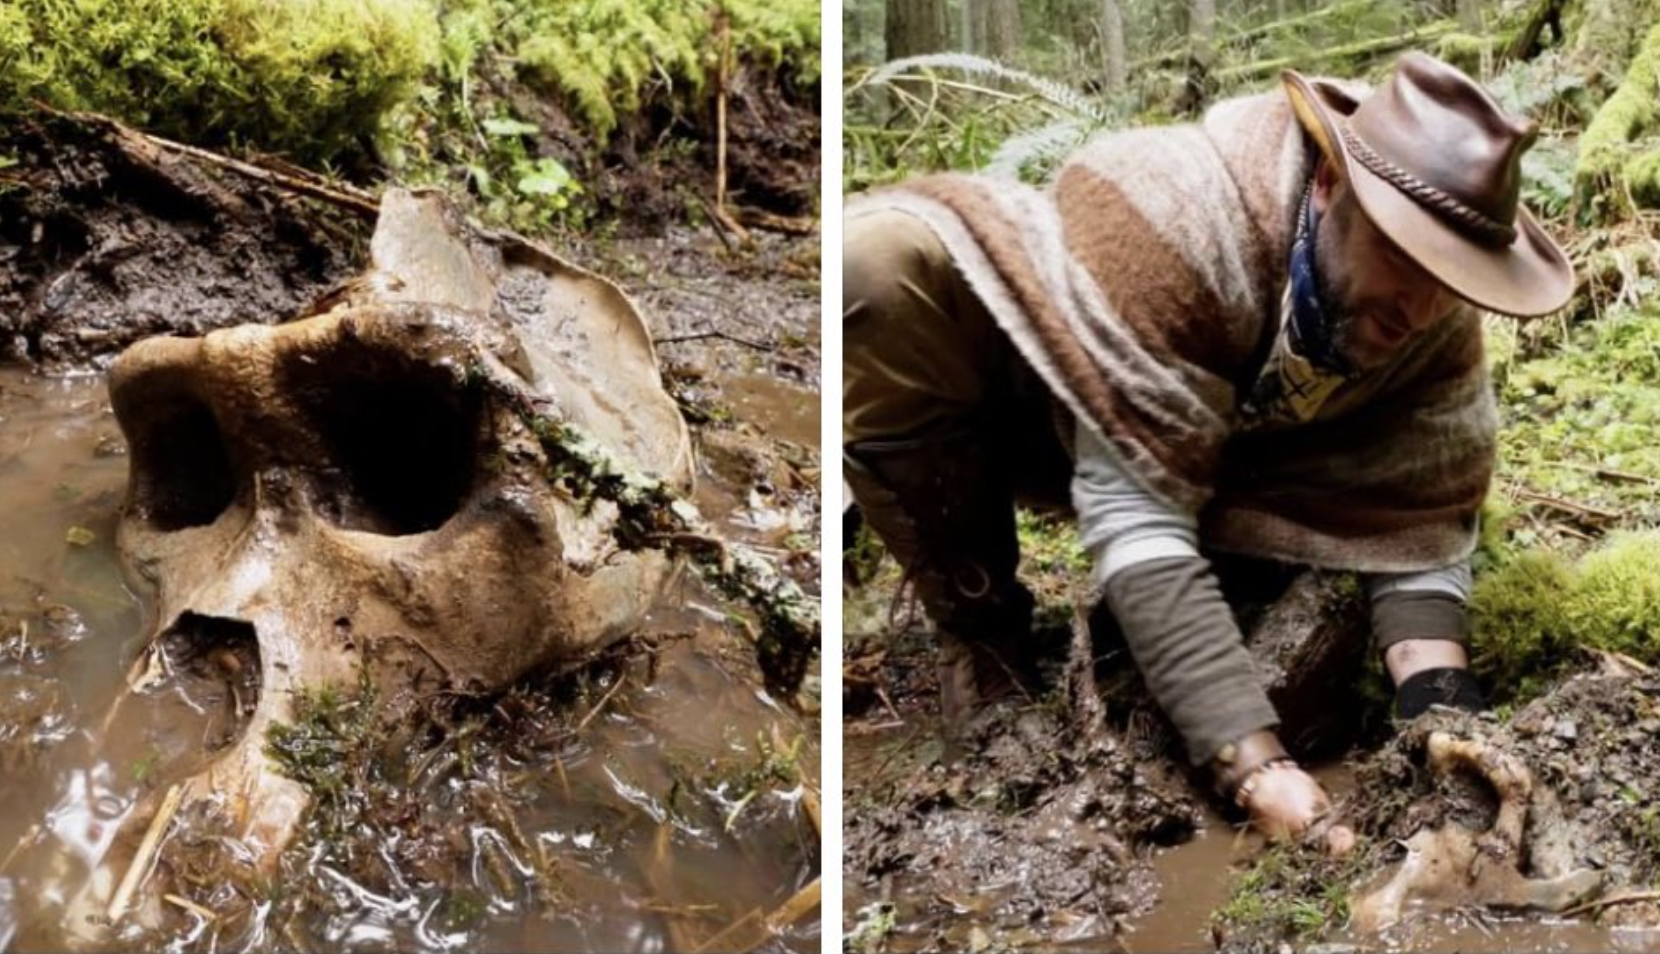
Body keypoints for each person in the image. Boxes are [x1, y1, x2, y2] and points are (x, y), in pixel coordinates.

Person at [842, 52, 1573, 847]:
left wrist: (1440, 707)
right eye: (1403, 256)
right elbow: (1136, 515)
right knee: (875, 264)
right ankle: (986, 641)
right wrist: (1252, 765)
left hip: (1247, 467)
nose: (1422, 306)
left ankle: (1230, 570)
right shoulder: (1179, 209)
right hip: (1060, 399)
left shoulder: (1431, 329)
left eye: (1451, 277)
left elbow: (1423, 523)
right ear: (1328, 186)